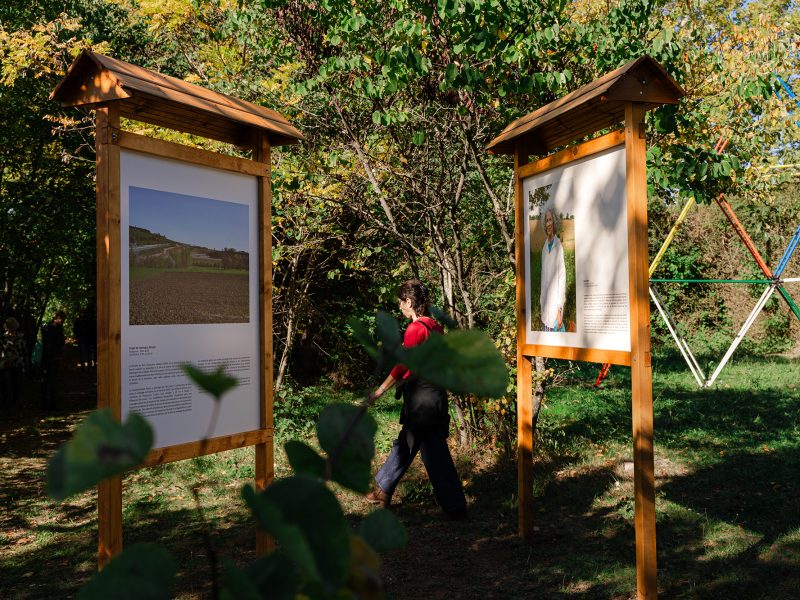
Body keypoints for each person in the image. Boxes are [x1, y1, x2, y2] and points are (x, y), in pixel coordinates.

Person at [365, 279, 467, 519]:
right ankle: (382, 488)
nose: (399, 307)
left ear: (409, 302)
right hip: (434, 397)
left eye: (401, 302)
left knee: (435, 455)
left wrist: (380, 391)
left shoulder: (415, 329)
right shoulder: (435, 327)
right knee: (407, 443)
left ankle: (455, 508)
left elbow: (404, 365)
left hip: (423, 401)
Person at [540, 206, 567, 332]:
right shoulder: (544, 249)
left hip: (555, 309)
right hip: (544, 309)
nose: (548, 223)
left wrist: (559, 309)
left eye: (550, 220)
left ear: (554, 222)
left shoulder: (558, 246)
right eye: (546, 220)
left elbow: (562, 278)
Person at [41, 311, 65, 410]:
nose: (63, 321)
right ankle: (52, 403)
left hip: (46, 356)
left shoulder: (45, 327)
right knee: (52, 380)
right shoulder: (57, 328)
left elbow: (44, 341)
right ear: (58, 318)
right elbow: (60, 342)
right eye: (62, 319)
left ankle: (44, 402)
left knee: (46, 379)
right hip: (54, 356)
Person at [1, 317, 27, 406]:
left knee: (18, 382)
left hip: (18, 362)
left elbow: (24, 350)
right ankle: (7, 401)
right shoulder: (3, 338)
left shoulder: (21, 336)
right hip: (7, 363)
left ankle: (17, 401)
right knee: (7, 383)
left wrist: (24, 361)